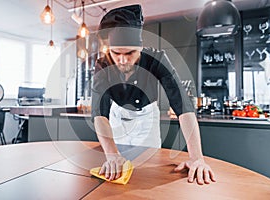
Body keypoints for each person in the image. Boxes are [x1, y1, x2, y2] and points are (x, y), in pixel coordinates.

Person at [91, 4, 216, 185]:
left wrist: (197, 157)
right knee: (117, 168)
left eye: (130, 53)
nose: (123, 60)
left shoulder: (157, 60)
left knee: (148, 171)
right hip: (117, 116)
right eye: (116, 53)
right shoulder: (102, 65)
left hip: (146, 117)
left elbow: (183, 107)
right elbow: (99, 113)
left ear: (140, 47)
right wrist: (111, 154)